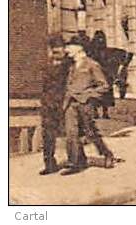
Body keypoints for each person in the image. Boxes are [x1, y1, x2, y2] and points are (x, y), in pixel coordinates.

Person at [61, 35, 117, 174]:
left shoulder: (92, 64)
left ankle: (107, 154)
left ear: (79, 48)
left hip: (85, 104)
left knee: (90, 132)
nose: (67, 49)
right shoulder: (72, 66)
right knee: (71, 133)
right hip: (71, 103)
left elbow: (104, 86)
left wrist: (88, 95)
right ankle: (75, 162)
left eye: (69, 46)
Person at [38, 35, 70, 175]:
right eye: (54, 51)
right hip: (48, 106)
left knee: (72, 134)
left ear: (64, 50)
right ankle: (49, 164)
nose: (57, 54)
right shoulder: (47, 65)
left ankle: (77, 160)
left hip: (65, 104)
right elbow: (44, 87)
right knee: (48, 136)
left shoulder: (70, 65)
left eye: (59, 51)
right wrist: (44, 102)